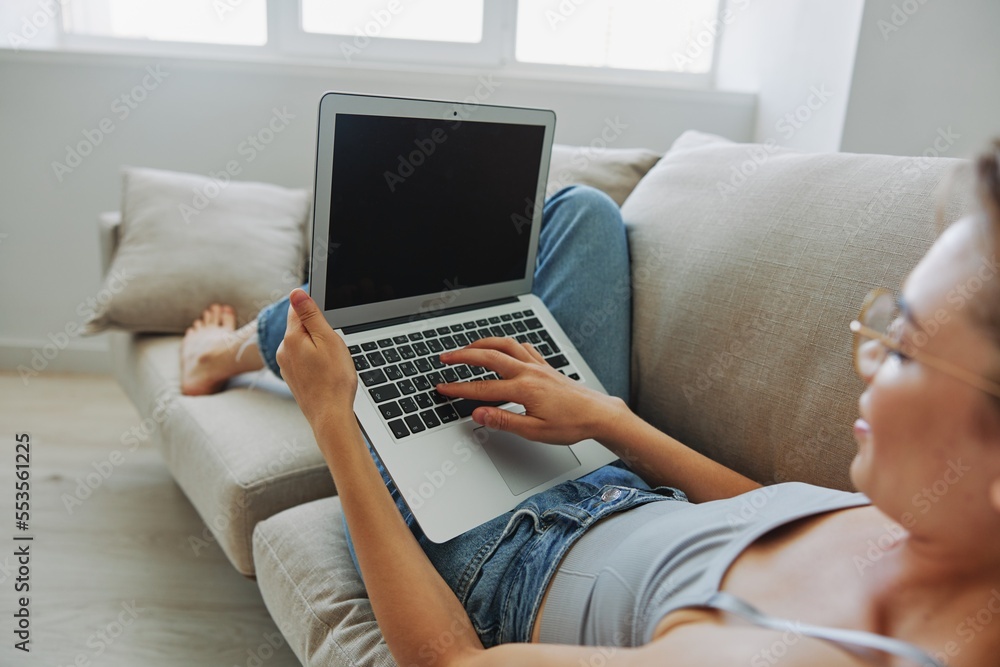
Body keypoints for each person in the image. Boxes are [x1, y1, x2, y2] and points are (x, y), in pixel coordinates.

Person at [180, 140, 1000, 666]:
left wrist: (338, 427)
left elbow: (453, 663)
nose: (866, 359)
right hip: (607, 469)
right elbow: (768, 517)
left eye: (903, 347)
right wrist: (604, 416)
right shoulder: (938, 523)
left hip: (501, 550)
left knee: (351, 324)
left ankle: (225, 352)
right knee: (581, 214)